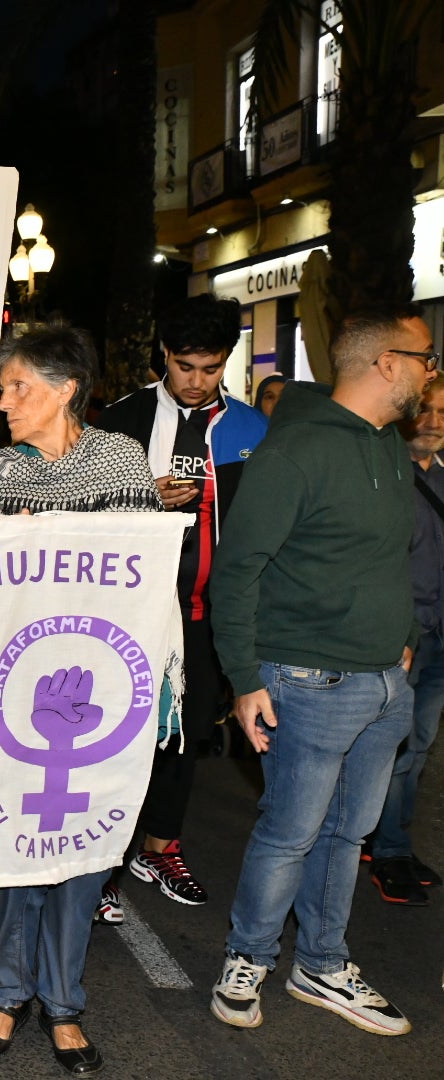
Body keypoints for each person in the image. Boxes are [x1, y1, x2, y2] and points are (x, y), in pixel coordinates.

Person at [207, 308, 434, 1037]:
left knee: (349, 834)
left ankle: (323, 963)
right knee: (291, 831)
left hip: (383, 683)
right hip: (305, 680)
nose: (434, 371)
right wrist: (245, 680)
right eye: (427, 357)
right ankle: (247, 958)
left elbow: (387, 556)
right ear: (388, 363)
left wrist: (401, 639)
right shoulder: (295, 450)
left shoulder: (389, 449)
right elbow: (237, 572)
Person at [0, 325, 161, 1075]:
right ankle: (6, 996)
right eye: (3, 389)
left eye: (20, 387)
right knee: (14, 847)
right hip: (11, 688)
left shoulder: (118, 459)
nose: (4, 402)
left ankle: (64, 1004)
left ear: (66, 388)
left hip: (98, 684)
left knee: (79, 857)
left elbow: (137, 573)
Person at [92, 294, 268, 921]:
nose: (196, 381)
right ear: (163, 355)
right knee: (122, 734)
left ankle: (159, 845)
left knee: (186, 736)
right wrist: (145, 497)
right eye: (184, 366)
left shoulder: (251, 429)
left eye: (210, 367)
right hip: (133, 613)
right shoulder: (122, 420)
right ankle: (104, 863)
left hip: (207, 616)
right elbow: (87, 514)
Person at [366, 378, 444, 905]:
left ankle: (388, 838)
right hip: (401, 637)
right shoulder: (384, 476)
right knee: (394, 747)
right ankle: (388, 847)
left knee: (417, 748)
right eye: (428, 410)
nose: (436, 421)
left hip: (440, 639)